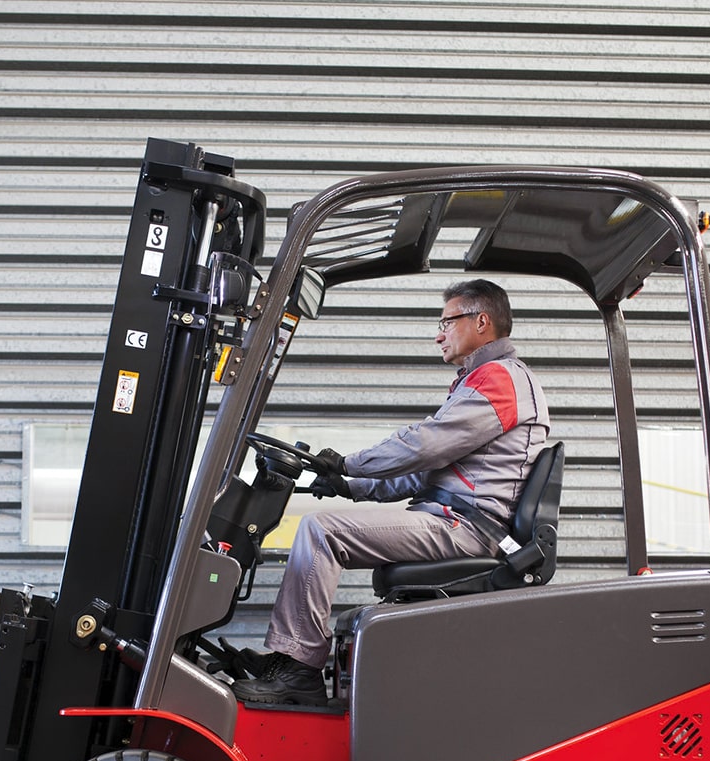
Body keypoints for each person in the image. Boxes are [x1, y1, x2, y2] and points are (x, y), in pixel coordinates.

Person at [232, 279, 550, 706]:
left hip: (467, 527)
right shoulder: (479, 382)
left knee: (321, 532)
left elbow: (425, 446)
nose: (438, 334)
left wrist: (348, 463)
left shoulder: (501, 379)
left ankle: (299, 668)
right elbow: (425, 470)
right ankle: (290, 658)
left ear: (481, 321)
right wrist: (348, 484)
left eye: (446, 322)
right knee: (323, 528)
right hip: (450, 519)